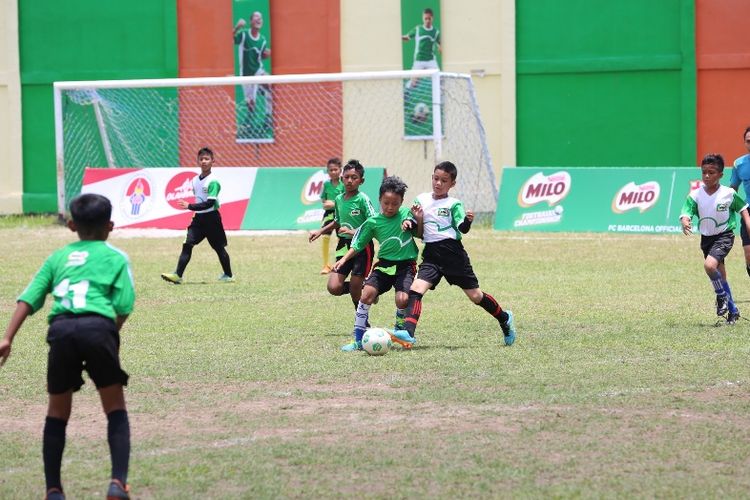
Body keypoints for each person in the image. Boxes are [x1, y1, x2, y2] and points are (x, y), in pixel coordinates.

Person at [0, 193, 135, 500]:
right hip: (98, 328)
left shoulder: (57, 258)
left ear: (72, 225)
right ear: (110, 226)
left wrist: (7, 337)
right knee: (114, 408)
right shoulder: (116, 257)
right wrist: (108, 335)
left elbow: (29, 298)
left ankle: (54, 490)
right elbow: (124, 304)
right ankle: (117, 484)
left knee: (57, 412)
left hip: (61, 330)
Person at [394, 161, 517, 346]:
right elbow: (413, 219)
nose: (438, 183)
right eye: (436, 178)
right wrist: (409, 223)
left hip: (453, 254)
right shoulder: (421, 199)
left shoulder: (453, 204)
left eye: (444, 180)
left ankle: (505, 318)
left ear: (452, 184)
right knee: (416, 289)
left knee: (476, 296)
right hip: (432, 255)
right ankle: (408, 333)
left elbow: (462, 227)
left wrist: (467, 222)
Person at [332, 176, 420, 351]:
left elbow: (416, 224)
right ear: (380, 200)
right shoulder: (373, 222)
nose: (390, 207)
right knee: (365, 296)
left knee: (402, 299)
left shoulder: (405, 214)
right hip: (384, 265)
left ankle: (399, 331)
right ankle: (358, 338)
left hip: (406, 265)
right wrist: (343, 259)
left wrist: (412, 221)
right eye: (386, 203)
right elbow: (358, 244)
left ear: (401, 202)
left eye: (395, 203)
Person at [681, 153, 750, 325]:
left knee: (709, 266)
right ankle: (733, 311)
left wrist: (748, 223)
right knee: (721, 277)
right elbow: (686, 211)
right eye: (704, 172)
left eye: (711, 173)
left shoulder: (728, 193)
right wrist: (685, 220)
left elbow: (743, 208)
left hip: (724, 235)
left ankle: (720, 297)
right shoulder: (695, 195)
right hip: (707, 238)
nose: (706, 176)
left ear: (720, 175)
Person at [309, 159, 377, 310]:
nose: (350, 181)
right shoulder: (339, 199)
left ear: (361, 181)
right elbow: (337, 221)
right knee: (334, 287)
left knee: (354, 289)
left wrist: (353, 231)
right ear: (342, 178)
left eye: (354, 178)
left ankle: (361, 322)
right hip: (343, 246)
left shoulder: (363, 199)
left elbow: (373, 223)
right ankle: (365, 288)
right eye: (347, 177)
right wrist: (320, 231)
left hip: (362, 247)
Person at [161, 147, 234, 284]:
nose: (204, 161)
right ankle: (178, 276)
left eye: (207, 159)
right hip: (199, 219)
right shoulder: (195, 180)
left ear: (213, 161)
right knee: (187, 244)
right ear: (197, 161)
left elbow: (210, 203)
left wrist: (189, 206)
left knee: (219, 248)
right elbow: (199, 200)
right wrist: (195, 211)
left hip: (212, 219)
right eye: (201, 159)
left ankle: (229, 275)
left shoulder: (213, 181)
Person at [233, 11, 272, 127]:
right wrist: (237, 27)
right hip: (246, 74)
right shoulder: (244, 35)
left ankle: (268, 117)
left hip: (258, 71)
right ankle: (249, 120)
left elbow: (260, 57)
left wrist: (265, 55)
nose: (259, 19)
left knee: (270, 85)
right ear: (251, 21)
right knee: (251, 105)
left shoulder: (263, 40)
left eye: (261, 17)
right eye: (256, 17)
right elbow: (229, 39)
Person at [402, 8, 441, 90]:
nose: (427, 21)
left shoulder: (436, 32)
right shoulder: (418, 29)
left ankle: (439, 98)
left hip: (431, 61)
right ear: (423, 18)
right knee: (413, 83)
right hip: (419, 60)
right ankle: (407, 90)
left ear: (432, 18)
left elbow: (440, 44)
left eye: (429, 19)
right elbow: (407, 37)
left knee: (438, 80)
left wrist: (440, 48)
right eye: (425, 19)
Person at [729, 126, 750, 277]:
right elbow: (733, 189)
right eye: (749, 141)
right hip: (748, 212)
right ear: (744, 143)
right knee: (749, 254)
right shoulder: (739, 164)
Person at [318, 157, 344, 275]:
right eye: (331, 170)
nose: (333, 172)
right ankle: (326, 265)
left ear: (340, 170)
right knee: (325, 237)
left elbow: (344, 201)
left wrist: (333, 203)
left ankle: (340, 263)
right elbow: (324, 203)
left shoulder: (344, 184)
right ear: (327, 171)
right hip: (329, 215)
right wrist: (327, 204)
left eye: (335, 169)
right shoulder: (326, 185)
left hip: (341, 215)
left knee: (342, 238)